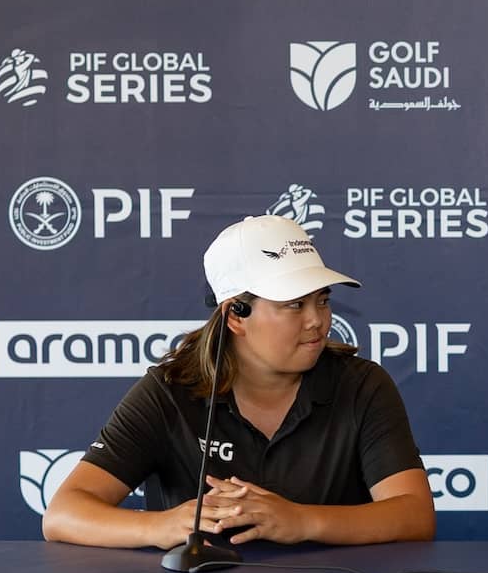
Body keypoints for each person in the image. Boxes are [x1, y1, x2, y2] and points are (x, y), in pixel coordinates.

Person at [41, 215, 435, 549]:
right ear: (236, 316)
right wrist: (163, 526)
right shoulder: (170, 390)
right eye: (295, 304)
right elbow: (63, 513)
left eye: (323, 300)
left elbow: (415, 514)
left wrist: (301, 521)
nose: (317, 320)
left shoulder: (362, 386)